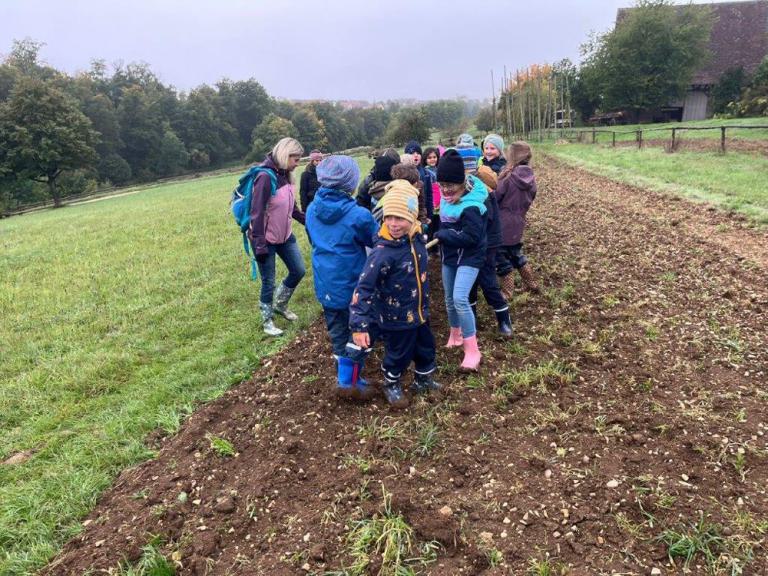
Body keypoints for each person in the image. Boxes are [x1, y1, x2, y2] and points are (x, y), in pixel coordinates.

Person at [350, 180, 438, 407]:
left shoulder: (416, 238)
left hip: (419, 311)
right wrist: (359, 325)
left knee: (426, 348)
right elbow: (363, 289)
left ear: (412, 218)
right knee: (398, 354)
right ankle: (391, 382)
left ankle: (423, 379)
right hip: (395, 318)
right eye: (388, 218)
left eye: (399, 218)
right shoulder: (382, 253)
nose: (393, 223)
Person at [306, 155, 378, 399]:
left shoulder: (312, 210)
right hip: (353, 284)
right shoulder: (359, 215)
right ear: (350, 183)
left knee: (337, 331)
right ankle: (348, 383)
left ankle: (346, 374)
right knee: (362, 330)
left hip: (325, 283)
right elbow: (376, 242)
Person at [434, 149, 488, 371]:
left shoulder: (472, 205)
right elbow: (443, 223)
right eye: (442, 185)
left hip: (470, 255)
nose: (446, 190)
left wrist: (444, 236)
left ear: (462, 182)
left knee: (459, 299)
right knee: (448, 298)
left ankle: (472, 350)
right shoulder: (448, 198)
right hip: (450, 256)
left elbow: (471, 237)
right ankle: (454, 335)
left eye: (451, 186)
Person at [248, 137, 307, 336]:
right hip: (265, 240)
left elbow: (293, 208)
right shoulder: (266, 177)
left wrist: (311, 222)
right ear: (284, 155)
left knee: (298, 270)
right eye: (295, 159)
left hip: (285, 235)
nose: (297, 164)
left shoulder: (286, 175)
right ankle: (267, 321)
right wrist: (259, 244)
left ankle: (280, 305)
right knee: (268, 281)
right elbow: (256, 213)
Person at [469, 166, 513, 336]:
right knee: (470, 284)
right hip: (476, 245)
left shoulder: (485, 198)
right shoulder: (479, 196)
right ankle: (472, 319)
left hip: (487, 246)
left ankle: (504, 320)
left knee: (488, 282)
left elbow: (480, 224)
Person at [496, 141, 540, 297]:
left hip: (502, 222)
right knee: (515, 252)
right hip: (519, 221)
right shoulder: (531, 177)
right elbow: (532, 195)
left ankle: (507, 292)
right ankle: (531, 283)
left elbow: (496, 197)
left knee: (501, 256)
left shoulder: (507, 177)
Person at [404, 141, 434, 225]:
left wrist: (430, 214)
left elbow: (429, 195)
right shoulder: (403, 175)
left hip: (423, 213)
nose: (416, 155)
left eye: (418, 153)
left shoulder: (426, 173)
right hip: (408, 214)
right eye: (412, 153)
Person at [421, 146, 442, 240]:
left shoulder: (439, 169)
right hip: (432, 204)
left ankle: (437, 246)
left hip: (441, 204)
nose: (432, 159)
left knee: (439, 226)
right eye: (429, 158)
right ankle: (431, 249)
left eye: (434, 157)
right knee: (431, 227)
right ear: (425, 159)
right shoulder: (425, 171)